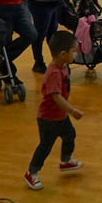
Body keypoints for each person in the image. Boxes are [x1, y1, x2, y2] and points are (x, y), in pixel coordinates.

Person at [23, 31, 84, 191]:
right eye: (74, 51)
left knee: (69, 135)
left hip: (60, 116)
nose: (76, 54)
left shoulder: (63, 66)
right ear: (63, 54)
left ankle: (65, 161)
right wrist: (72, 111)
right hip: (48, 119)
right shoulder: (54, 73)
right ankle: (31, 173)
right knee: (45, 146)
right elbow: (56, 97)